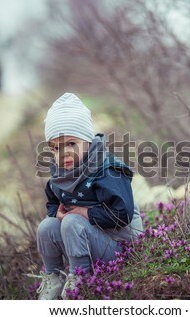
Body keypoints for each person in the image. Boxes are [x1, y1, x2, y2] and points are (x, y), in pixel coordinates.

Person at [35, 92, 143, 300]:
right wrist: (56, 214)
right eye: (56, 147)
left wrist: (84, 212)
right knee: (46, 227)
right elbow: (52, 201)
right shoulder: (62, 174)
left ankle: (81, 281)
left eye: (71, 144)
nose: (63, 153)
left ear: (88, 141)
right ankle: (54, 278)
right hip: (88, 239)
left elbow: (122, 214)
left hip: (120, 247)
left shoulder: (107, 169)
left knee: (73, 221)